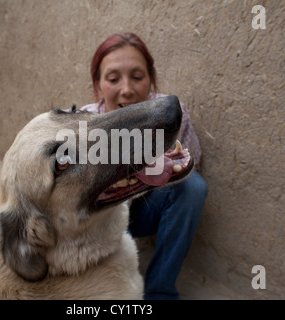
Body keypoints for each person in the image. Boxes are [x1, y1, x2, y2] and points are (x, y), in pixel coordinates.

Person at [81, 33, 208, 300]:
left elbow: (188, 167)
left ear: (151, 80)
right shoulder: (86, 126)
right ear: (98, 86)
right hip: (102, 222)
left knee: (193, 187)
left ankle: (159, 292)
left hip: (147, 213)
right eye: (113, 79)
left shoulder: (174, 115)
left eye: (137, 77)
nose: (127, 89)